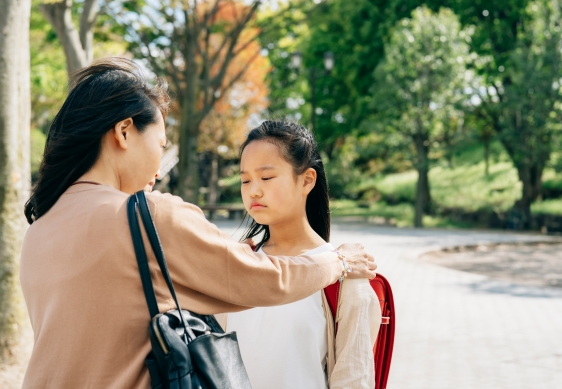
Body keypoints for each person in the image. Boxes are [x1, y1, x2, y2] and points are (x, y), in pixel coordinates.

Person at [20, 58, 376, 389]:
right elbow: (267, 281)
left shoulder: (40, 229)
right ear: (125, 132)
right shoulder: (149, 218)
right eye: (160, 144)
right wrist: (339, 261)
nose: (158, 170)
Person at [225, 121, 382, 389]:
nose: (253, 190)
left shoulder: (347, 278)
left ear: (307, 180)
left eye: (266, 177)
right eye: (245, 180)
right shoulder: (238, 263)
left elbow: (353, 380)